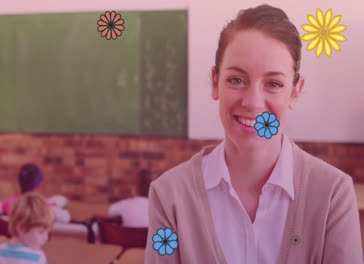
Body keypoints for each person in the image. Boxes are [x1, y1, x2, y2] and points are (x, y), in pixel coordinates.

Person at [145, 4, 362, 264]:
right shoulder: (170, 196)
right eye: (237, 80)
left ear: (295, 92)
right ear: (215, 83)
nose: (253, 102)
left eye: (273, 84)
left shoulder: (332, 196)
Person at [0, 163, 70, 223]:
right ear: (39, 185)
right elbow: (66, 217)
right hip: (34, 245)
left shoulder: (12, 204)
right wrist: (53, 204)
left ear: (20, 182)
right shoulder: (43, 206)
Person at [0, 192, 54, 264]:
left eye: (47, 232)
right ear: (21, 228)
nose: (46, 237)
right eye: (41, 232)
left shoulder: (1, 250)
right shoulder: (37, 257)